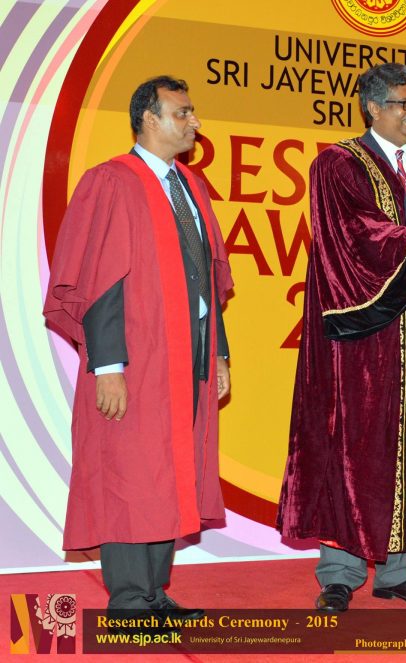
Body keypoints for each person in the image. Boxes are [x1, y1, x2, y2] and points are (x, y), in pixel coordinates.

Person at [277, 62, 406, 611]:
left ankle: (399, 572)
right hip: (361, 339)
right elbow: (355, 236)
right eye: (403, 104)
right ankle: (340, 573)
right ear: (372, 107)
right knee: (351, 447)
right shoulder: (337, 165)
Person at [43, 76, 233, 627]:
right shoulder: (111, 181)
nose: (195, 122)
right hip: (136, 355)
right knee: (130, 473)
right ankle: (129, 602)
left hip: (189, 354)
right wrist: (108, 366)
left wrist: (219, 353)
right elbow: (100, 283)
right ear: (149, 118)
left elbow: (209, 280)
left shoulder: (191, 185)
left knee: (169, 471)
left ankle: (154, 593)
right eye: (183, 112)